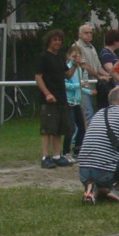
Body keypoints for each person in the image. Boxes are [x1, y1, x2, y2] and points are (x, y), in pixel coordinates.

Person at [33, 29, 73, 168]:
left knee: (59, 129)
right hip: (49, 99)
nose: (57, 42)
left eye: (59, 40)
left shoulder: (60, 57)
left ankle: (57, 155)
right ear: (49, 41)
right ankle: (45, 157)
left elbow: (68, 74)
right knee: (47, 129)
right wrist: (47, 93)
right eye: (55, 40)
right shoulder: (43, 57)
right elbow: (38, 77)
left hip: (61, 97)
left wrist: (76, 64)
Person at [64, 43, 89, 156]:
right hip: (69, 101)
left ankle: (77, 149)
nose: (76, 59)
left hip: (77, 102)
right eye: (73, 56)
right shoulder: (67, 68)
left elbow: (80, 86)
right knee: (71, 128)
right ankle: (66, 151)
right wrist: (79, 85)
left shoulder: (79, 69)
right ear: (69, 56)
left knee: (82, 127)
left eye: (78, 56)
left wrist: (89, 91)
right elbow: (66, 85)